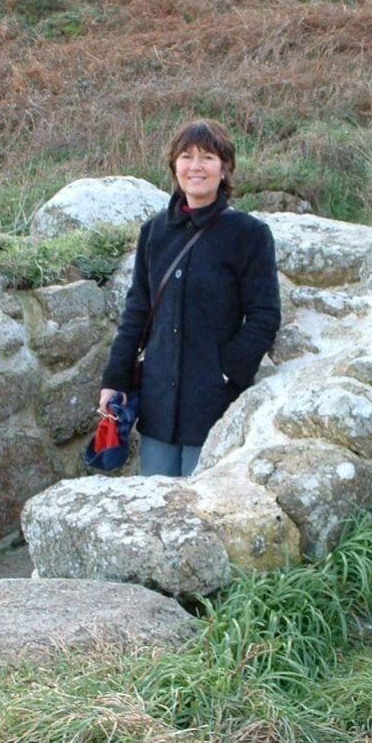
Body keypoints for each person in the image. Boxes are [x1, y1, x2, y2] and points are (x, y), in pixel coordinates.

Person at [98, 118, 281, 476]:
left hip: (214, 400)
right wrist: (114, 380)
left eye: (208, 157)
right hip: (158, 402)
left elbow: (264, 315)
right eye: (186, 156)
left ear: (225, 169)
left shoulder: (249, 234)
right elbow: (136, 311)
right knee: (156, 509)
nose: (195, 167)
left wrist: (229, 371)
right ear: (174, 167)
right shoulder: (155, 232)